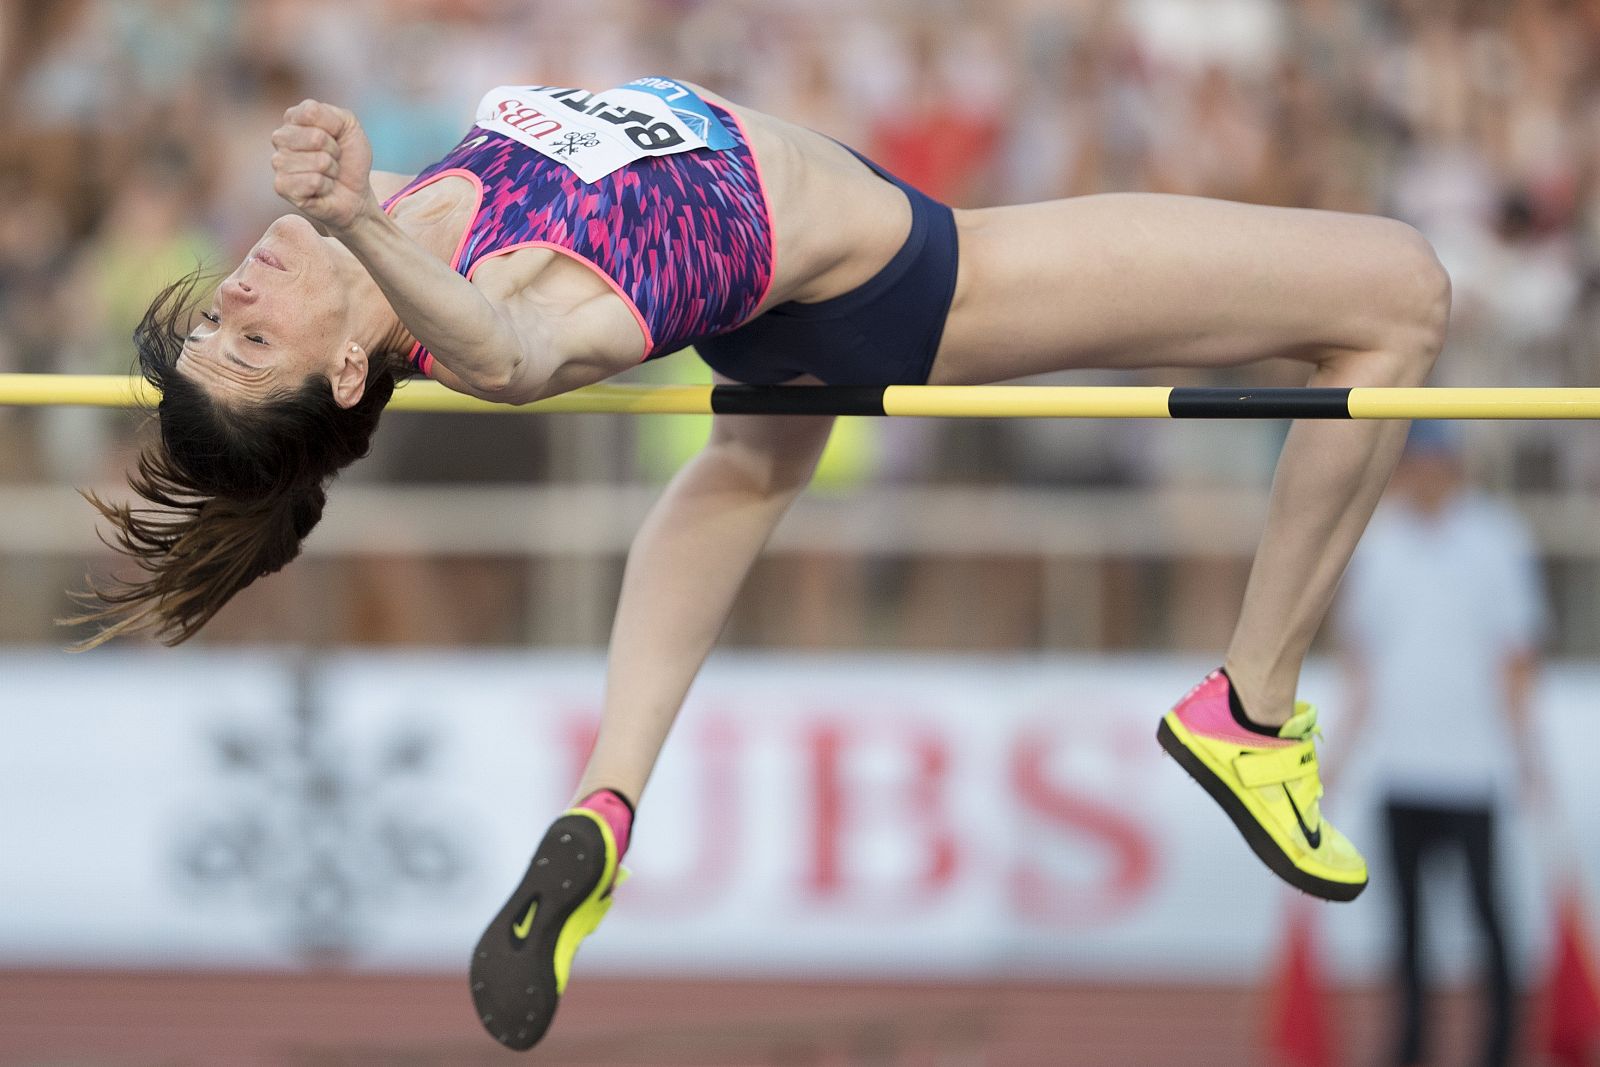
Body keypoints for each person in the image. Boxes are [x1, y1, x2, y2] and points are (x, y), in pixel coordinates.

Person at [73, 76, 1449, 1050]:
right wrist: (363, 217)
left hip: (779, 304)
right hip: (924, 288)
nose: (234, 298)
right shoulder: (505, 307)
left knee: (748, 462)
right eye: (248, 344)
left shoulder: (419, 216)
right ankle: (1252, 706)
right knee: (1397, 296)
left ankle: (606, 800)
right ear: (342, 368)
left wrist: (371, 208)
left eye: (215, 325)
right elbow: (513, 354)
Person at [1337, 421, 1546, 1067]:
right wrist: (1342, 752)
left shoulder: (1497, 538)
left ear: (1452, 465)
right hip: (1400, 764)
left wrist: (1525, 752)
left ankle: (1501, 1048)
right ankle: (1409, 1050)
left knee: (1491, 923)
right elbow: (1363, 660)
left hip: (1473, 763)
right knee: (1407, 936)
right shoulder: (1378, 544)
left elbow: (1516, 653)